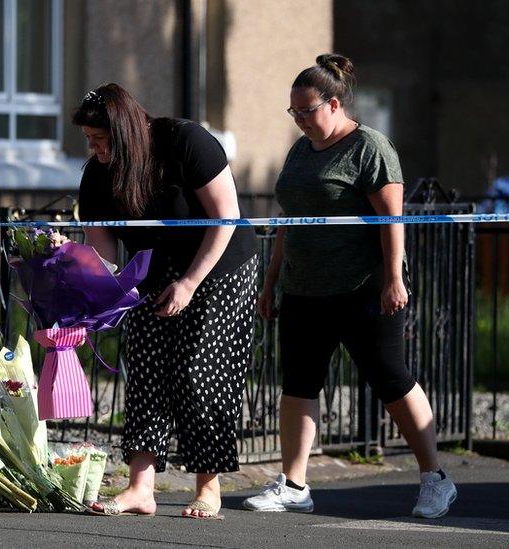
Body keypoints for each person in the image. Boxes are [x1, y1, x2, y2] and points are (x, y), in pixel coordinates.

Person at [242, 54, 457, 519]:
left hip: (363, 287)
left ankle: (434, 478)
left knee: (391, 379)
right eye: (293, 113)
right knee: (298, 385)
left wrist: (394, 279)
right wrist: (272, 280)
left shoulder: (371, 147)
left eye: (306, 111)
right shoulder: (301, 150)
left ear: (334, 103)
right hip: (304, 288)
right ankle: (295, 484)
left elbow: (391, 219)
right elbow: (292, 219)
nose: (299, 121)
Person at [75, 83, 258, 520]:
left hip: (218, 264)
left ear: (123, 132)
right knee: (146, 368)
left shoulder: (185, 141)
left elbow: (226, 215)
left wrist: (191, 282)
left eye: (100, 140)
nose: (94, 149)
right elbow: (103, 254)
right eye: (89, 141)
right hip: (153, 269)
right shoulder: (97, 174)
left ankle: (208, 486)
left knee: (199, 371)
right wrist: (84, 290)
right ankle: (141, 487)